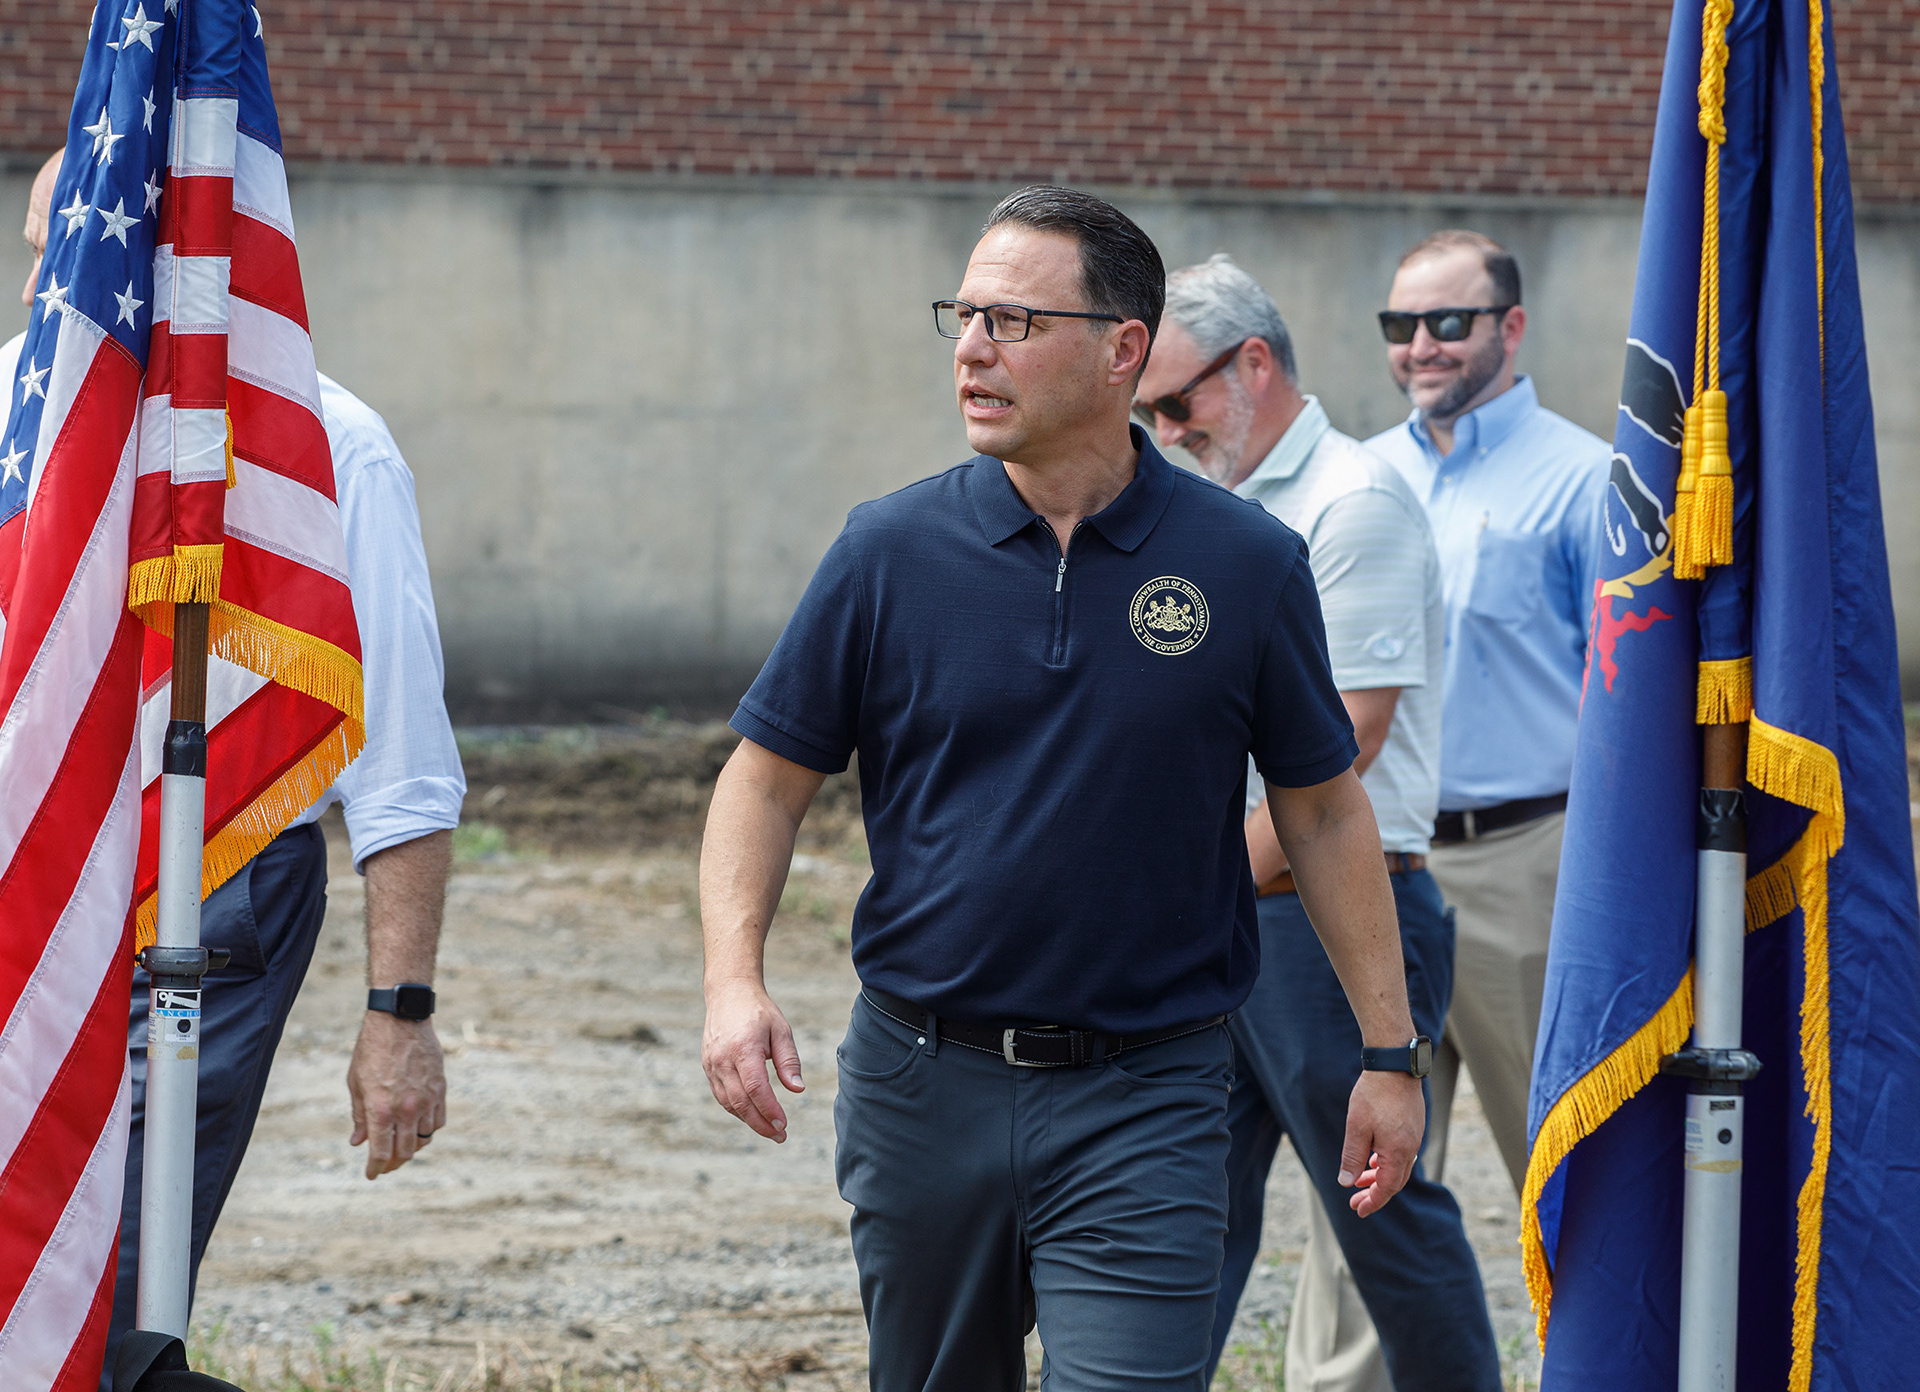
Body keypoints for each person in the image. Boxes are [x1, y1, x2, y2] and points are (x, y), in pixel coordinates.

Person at [698, 185, 1431, 1392]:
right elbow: (765, 781)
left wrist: (1388, 1055)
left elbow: (1322, 804)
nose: (974, 350)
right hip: (920, 1084)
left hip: (1150, 1093)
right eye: (965, 316)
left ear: (1121, 351)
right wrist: (734, 983)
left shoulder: (1245, 563)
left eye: (1015, 322)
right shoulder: (886, 551)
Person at [4, 150, 467, 1386]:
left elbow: (404, 766)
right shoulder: (9, 420)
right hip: (18, 873)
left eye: (110, 255)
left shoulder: (323, 449)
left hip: (212, 880)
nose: (78, 283)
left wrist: (399, 1013)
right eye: (60, 252)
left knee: (97, 1295)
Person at [1136, 254, 1497, 1392]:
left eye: (1175, 401)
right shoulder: (1221, 507)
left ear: (1254, 363)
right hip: (1243, 913)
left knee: (1382, 1220)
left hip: (1329, 917)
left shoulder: (1355, 502)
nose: (1163, 429)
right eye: (1144, 412)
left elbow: (1345, 745)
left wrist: (1183, 898)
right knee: (1190, 1208)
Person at [1365, 230, 1608, 1197]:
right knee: (1368, 1182)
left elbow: (1626, 695)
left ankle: (1593, 1358)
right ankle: (1343, 1366)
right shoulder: (1363, 479)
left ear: (1510, 327)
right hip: (1376, 870)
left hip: (1525, 870)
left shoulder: (1587, 481)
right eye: (1400, 324)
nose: (1421, 345)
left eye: (1448, 322)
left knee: (1565, 1168)